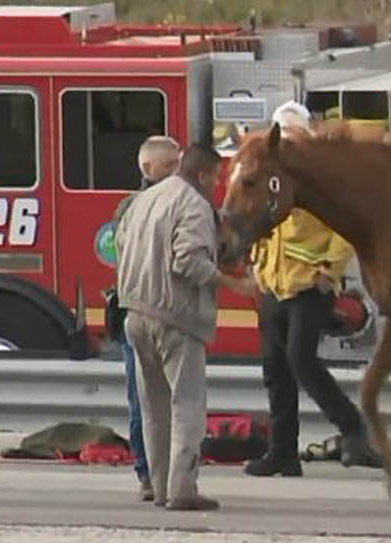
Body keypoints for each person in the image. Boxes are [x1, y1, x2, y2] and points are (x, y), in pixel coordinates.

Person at [116, 144, 253, 511]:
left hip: (134, 314)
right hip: (175, 316)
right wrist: (235, 284)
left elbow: (121, 243)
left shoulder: (143, 199)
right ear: (204, 175)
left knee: (153, 407)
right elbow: (187, 260)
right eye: (218, 178)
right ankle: (183, 489)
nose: (219, 185)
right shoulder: (192, 204)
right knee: (187, 405)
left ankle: (159, 488)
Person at [243, 101, 375, 478]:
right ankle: (283, 453)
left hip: (309, 286)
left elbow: (346, 228)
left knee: (302, 360)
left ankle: (352, 430)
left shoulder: (322, 179)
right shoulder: (273, 177)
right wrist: (255, 261)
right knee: (276, 372)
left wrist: (327, 269)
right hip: (273, 285)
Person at [110, 135, 180, 502]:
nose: (176, 173)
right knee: (142, 401)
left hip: (173, 317)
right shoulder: (131, 208)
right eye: (169, 166)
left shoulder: (184, 204)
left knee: (179, 402)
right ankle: (148, 475)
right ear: (147, 169)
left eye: (178, 164)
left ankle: (173, 475)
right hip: (140, 313)